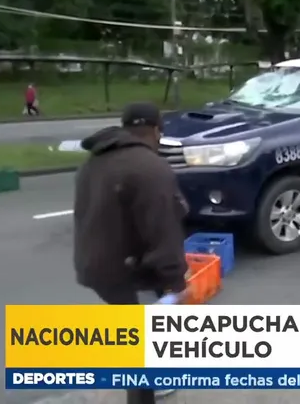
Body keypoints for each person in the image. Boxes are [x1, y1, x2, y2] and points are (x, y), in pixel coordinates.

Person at [73, 102, 189, 404]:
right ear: (156, 130)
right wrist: (176, 283)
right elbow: (163, 232)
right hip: (123, 268)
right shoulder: (151, 168)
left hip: (94, 264)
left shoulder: (94, 161)